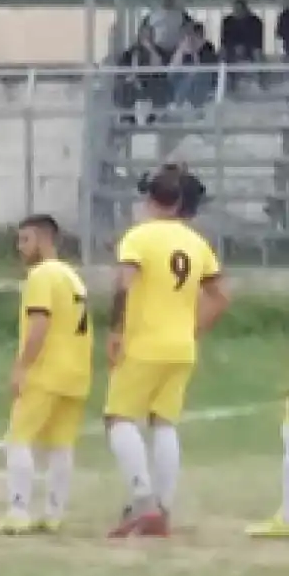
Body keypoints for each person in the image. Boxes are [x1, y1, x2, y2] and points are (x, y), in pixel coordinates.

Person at [104, 165, 228, 538]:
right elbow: (221, 296)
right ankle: (164, 506)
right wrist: (193, 328)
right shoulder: (196, 242)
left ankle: (143, 501)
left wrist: (115, 329)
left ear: (151, 199)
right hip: (180, 345)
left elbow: (124, 285)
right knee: (164, 422)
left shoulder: (139, 237)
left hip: (145, 342)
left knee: (119, 418)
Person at [0, 215, 91, 535]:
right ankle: (54, 512)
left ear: (44, 239)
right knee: (60, 445)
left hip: (47, 370)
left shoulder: (42, 276)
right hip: (75, 371)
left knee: (19, 438)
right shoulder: (73, 277)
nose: (20, 248)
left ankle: (18, 510)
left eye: (25, 240)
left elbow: (39, 325)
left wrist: (21, 366)